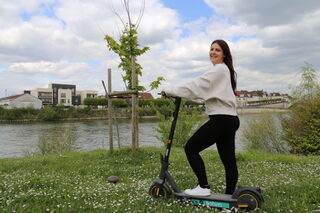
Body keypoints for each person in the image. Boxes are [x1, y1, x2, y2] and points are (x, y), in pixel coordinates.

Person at [161, 39, 240, 197]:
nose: (213, 52)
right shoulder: (225, 71)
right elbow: (204, 94)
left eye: (217, 50)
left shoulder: (218, 70)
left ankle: (203, 187)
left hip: (221, 120)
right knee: (228, 160)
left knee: (191, 148)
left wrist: (169, 90)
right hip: (230, 119)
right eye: (211, 49)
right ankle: (230, 197)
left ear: (224, 54)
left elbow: (195, 86)